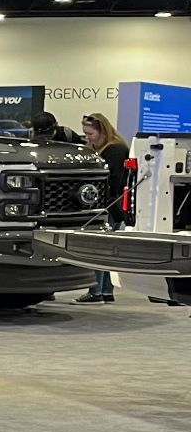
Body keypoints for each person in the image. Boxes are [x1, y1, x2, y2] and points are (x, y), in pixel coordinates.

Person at [76, 111, 131, 304]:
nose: (88, 138)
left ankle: (96, 291)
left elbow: (112, 181)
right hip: (114, 206)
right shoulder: (115, 148)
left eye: (90, 134)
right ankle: (106, 291)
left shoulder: (113, 151)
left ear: (101, 131)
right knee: (106, 252)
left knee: (97, 251)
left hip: (109, 206)